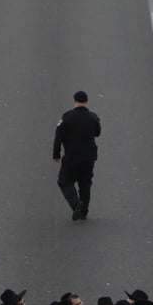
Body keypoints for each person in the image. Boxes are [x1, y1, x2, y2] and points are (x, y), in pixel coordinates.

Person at [52, 91, 101, 221]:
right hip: (89, 157)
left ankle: (76, 204)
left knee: (64, 180)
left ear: (74, 101)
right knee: (85, 183)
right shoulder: (93, 117)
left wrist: (56, 154)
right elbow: (97, 132)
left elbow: (59, 136)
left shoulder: (67, 118)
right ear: (86, 102)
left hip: (72, 157)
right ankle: (84, 210)